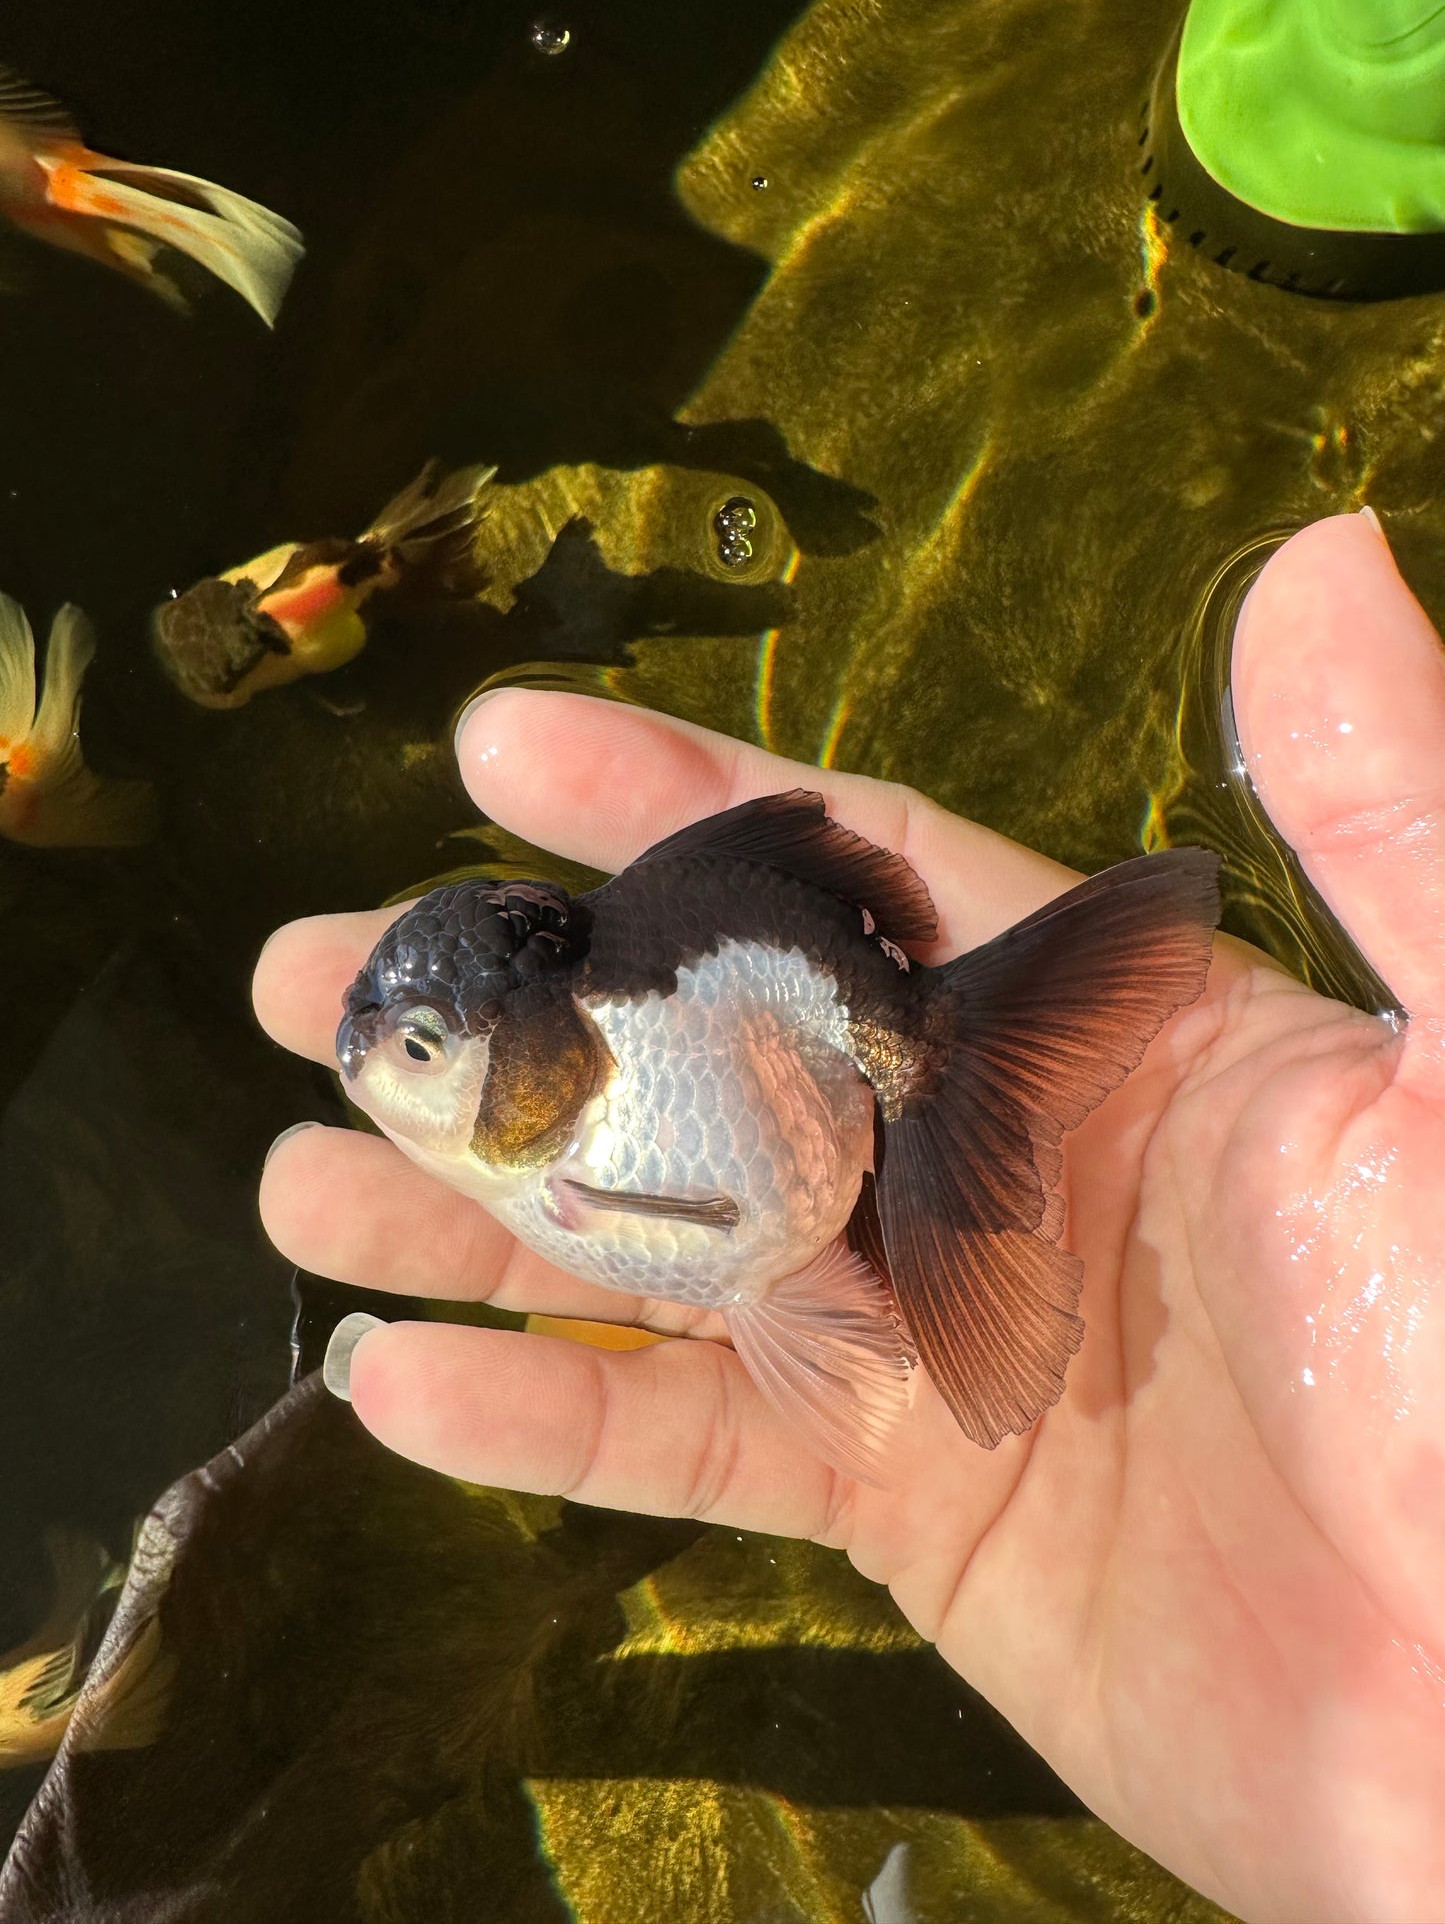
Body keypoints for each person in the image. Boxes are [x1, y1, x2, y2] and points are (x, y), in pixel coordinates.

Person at [254, 508, 1445, 1924]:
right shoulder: (564, 1129)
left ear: (522, 1058)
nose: (384, 1073)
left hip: (840, 1068)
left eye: (423, 1051)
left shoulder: (603, 1110)